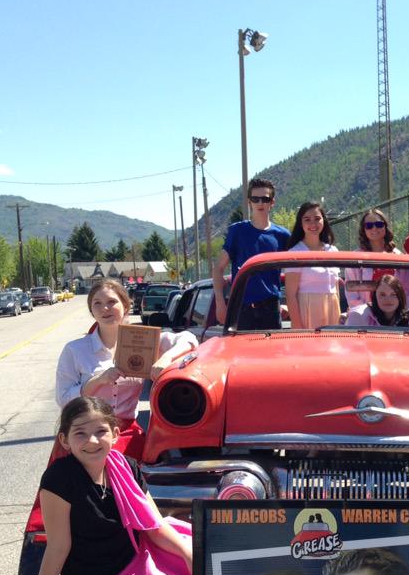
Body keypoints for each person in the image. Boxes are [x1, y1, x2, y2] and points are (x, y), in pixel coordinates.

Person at [0, 397, 192, 575]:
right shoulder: (59, 479)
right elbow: (58, 547)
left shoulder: (126, 466)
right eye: (80, 433)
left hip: (140, 553)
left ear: (115, 434)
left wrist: (187, 554)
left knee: (206, 560)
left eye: (100, 431)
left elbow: (154, 527)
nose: (92, 441)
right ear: (65, 440)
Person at [55, 278, 198, 459]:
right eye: (97, 303)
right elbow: (63, 398)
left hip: (126, 435)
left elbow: (189, 338)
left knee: (133, 483)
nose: (104, 308)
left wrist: (165, 358)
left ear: (125, 305)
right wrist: (98, 380)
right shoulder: (75, 350)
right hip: (85, 438)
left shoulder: (145, 339)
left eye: (111, 302)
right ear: (92, 310)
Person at [212, 178, 291, 329]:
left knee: (271, 353)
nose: (260, 203)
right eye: (255, 199)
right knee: (242, 353)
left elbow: (295, 272)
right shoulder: (237, 231)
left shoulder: (283, 235)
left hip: (271, 309)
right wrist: (220, 304)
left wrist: (287, 304)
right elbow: (218, 268)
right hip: (241, 309)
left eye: (265, 199)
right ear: (249, 202)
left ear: (272, 202)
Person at [343, 209, 409, 309]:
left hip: (394, 313)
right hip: (366, 315)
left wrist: (404, 312)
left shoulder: (398, 256)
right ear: (364, 230)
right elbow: (351, 292)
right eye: (369, 226)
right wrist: (365, 313)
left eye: (379, 224)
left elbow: (407, 289)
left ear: (385, 226)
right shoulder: (356, 258)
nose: (374, 228)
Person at [285, 202, 340, 329]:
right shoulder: (295, 252)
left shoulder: (333, 250)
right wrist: (297, 325)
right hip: (307, 310)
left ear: (324, 221)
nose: (313, 224)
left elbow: (335, 287)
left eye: (317, 219)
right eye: (307, 220)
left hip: (332, 308)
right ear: (301, 223)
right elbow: (290, 294)